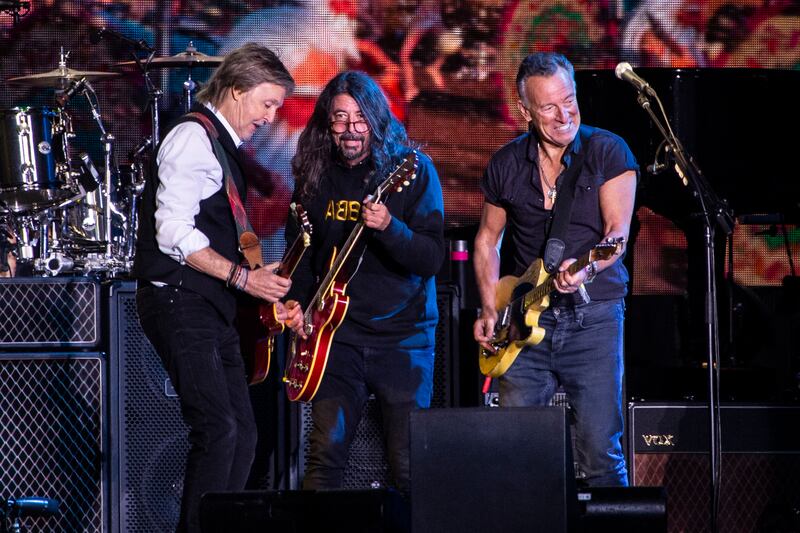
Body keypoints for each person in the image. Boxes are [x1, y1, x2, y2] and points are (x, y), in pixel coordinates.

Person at [132, 43, 297, 533]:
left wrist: (262, 289)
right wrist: (244, 277)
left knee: (243, 434)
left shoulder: (221, 147)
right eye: (266, 104)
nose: (270, 118)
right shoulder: (190, 138)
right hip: (179, 301)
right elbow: (173, 233)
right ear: (236, 91)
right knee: (218, 428)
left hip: (212, 305)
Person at [472, 52, 638, 487]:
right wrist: (490, 308)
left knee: (600, 454)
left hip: (593, 319)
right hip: (524, 324)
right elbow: (488, 240)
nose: (564, 114)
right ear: (525, 110)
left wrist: (586, 270)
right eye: (549, 106)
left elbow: (616, 235)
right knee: (518, 455)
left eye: (570, 100)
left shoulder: (607, 150)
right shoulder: (506, 164)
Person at [284, 70, 445, 492]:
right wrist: (297, 304)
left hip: (403, 339)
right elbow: (301, 254)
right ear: (327, 123)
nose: (351, 130)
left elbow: (430, 258)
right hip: (335, 341)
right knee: (324, 460)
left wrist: (391, 227)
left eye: (360, 119)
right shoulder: (315, 175)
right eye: (340, 118)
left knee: (409, 467)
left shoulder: (412, 171)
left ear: (376, 120)